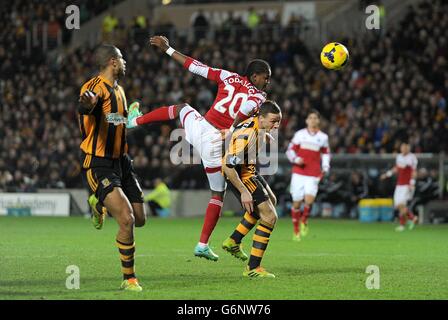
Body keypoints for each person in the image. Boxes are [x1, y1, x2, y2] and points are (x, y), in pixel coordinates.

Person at [127, 35, 271, 261]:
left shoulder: (228, 76)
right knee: (217, 194)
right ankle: (202, 243)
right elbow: (245, 110)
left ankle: (134, 121)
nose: (267, 82)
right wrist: (233, 128)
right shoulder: (259, 96)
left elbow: (195, 66)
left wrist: (168, 49)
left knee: (181, 108)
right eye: (266, 77)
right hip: (216, 141)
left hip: (201, 130)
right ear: (254, 76)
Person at [78, 44, 146, 292]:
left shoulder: (120, 90)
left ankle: (98, 203)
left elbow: (113, 119)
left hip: (122, 162)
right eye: (123, 58)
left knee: (139, 219)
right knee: (126, 220)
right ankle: (129, 278)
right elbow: (87, 108)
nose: (126, 62)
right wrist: (87, 104)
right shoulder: (93, 88)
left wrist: (131, 116)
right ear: (113, 62)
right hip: (99, 163)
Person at [221, 100, 281, 278]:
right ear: (261, 119)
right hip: (239, 174)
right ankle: (253, 268)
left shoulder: (258, 123)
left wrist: (266, 133)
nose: (276, 125)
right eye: (273, 121)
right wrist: (244, 192)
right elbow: (227, 165)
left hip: (249, 170)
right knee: (269, 216)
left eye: (279, 121)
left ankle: (234, 240)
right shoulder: (247, 136)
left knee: (271, 202)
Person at [286, 109, 330, 241]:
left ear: (318, 121)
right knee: (296, 202)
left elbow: (326, 153)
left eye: (315, 118)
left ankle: (304, 219)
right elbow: (290, 150)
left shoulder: (323, 137)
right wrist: (295, 159)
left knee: (309, 200)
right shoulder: (300, 134)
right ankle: (296, 230)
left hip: (313, 173)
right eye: (310, 118)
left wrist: (326, 166)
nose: (313, 120)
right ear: (306, 121)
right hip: (299, 172)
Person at [380, 142, 418, 231]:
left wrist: (412, 183)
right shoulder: (399, 157)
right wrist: (387, 174)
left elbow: (414, 172)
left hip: (407, 185)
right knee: (398, 206)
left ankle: (404, 224)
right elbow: (396, 168)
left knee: (401, 204)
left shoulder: (412, 157)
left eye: (405, 147)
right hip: (399, 185)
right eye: (402, 147)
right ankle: (412, 218)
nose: (404, 149)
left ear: (408, 148)